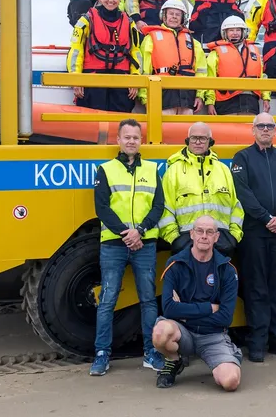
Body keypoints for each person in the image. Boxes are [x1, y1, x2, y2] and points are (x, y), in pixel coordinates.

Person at [90, 118, 165, 376]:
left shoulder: (152, 170)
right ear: (118, 140)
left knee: (148, 299)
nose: (131, 141)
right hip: (114, 243)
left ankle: (151, 352)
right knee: (108, 299)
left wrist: (140, 231)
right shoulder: (106, 170)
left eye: (135, 137)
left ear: (140, 140)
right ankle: (102, 354)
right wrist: (127, 233)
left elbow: (158, 206)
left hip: (144, 242)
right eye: (127, 137)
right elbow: (102, 208)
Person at [231, 113, 276, 362]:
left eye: (270, 126)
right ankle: (257, 341)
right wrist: (266, 218)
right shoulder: (242, 158)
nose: (265, 129)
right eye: (261, 126)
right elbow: (243, 193)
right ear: (253, 130)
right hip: (255, 233)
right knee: (256, 287)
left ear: (275, 130)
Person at [153, 216, 242, 391]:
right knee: (160, 332)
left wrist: (184, 314)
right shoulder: (175, 264)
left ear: (216, 237)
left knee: (231, 382)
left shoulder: (227, 269)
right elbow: (169, 309)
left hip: (213, 336)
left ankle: (227, 356)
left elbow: (225, 318)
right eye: (199, 231)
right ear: (192, 234)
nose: (204, 236)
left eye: (210, 232)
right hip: (183, 332)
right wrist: (209, 308)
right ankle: (174, 360)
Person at [159, 122, 244, 256]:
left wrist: (233, 236)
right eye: (194, 138)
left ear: (210, 141)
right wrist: (174, 239)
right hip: (185, 242)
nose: (198, 142)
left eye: (203, 138)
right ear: (188, 141)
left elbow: (236, 206)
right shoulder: (174, 171)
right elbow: (165, 208)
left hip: (221, 242)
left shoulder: (223, 170)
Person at [66, 0, 141, 113]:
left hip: (121, 80)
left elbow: (136, 51)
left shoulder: (129, 23)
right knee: (92, 118)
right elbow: (76, 49)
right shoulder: (86, 20)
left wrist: (135, 78)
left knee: (121, 119)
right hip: (93, 78)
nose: (111, 0)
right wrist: (76, 78)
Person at [138, 0, 207, 115]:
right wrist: (145, 97)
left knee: (186, 126)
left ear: (183, 18)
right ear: (163, 16)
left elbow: (201, 71)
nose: (174, 17)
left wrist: (200, 95)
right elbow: (145, 69)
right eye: (171, 13)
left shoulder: (193, 42)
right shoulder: (151, 38)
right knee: (163, 126)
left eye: (178, 14)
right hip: (161, 93)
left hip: (187, 95)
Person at [205, 16, 271, 116]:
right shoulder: (216, 53)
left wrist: (266, 97)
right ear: (225, 33)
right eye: (231, 30)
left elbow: (262, 76)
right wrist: (210, 102)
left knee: (249, 126)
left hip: (250, 99)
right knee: (229, 126)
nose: (235, 33)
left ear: (243, 32)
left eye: (238, 30)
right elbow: (210, 79)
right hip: (226, 101)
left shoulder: (254, 50)